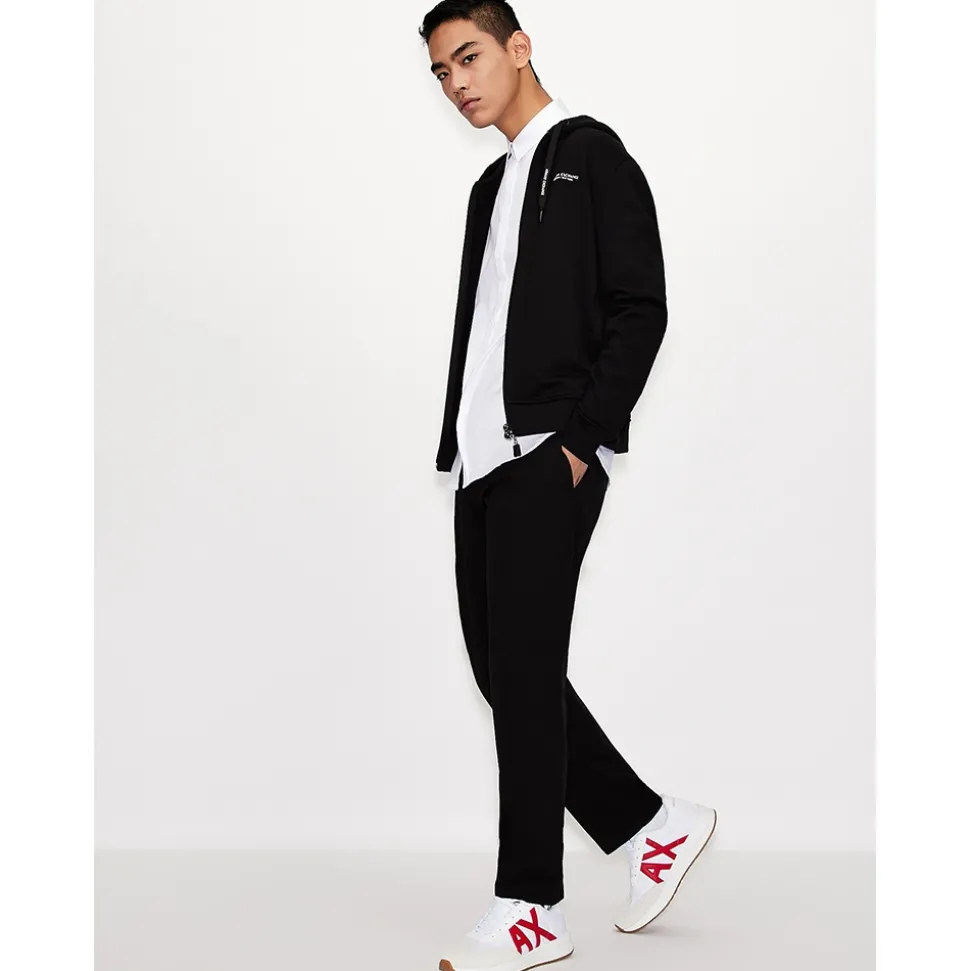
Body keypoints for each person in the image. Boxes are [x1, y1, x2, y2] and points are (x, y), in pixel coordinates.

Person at [420, 3, 717, 969]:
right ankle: (649, 826)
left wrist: (580, 442)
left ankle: (530, 908)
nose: (457, 82)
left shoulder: (591, 153)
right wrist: (460, 447)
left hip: (549, 452)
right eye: (441, 72)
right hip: (481, 463)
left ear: (519, 47)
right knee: (506, 671)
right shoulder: (489, 188)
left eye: (469, 57)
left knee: (523, 667)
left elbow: (641, 307)